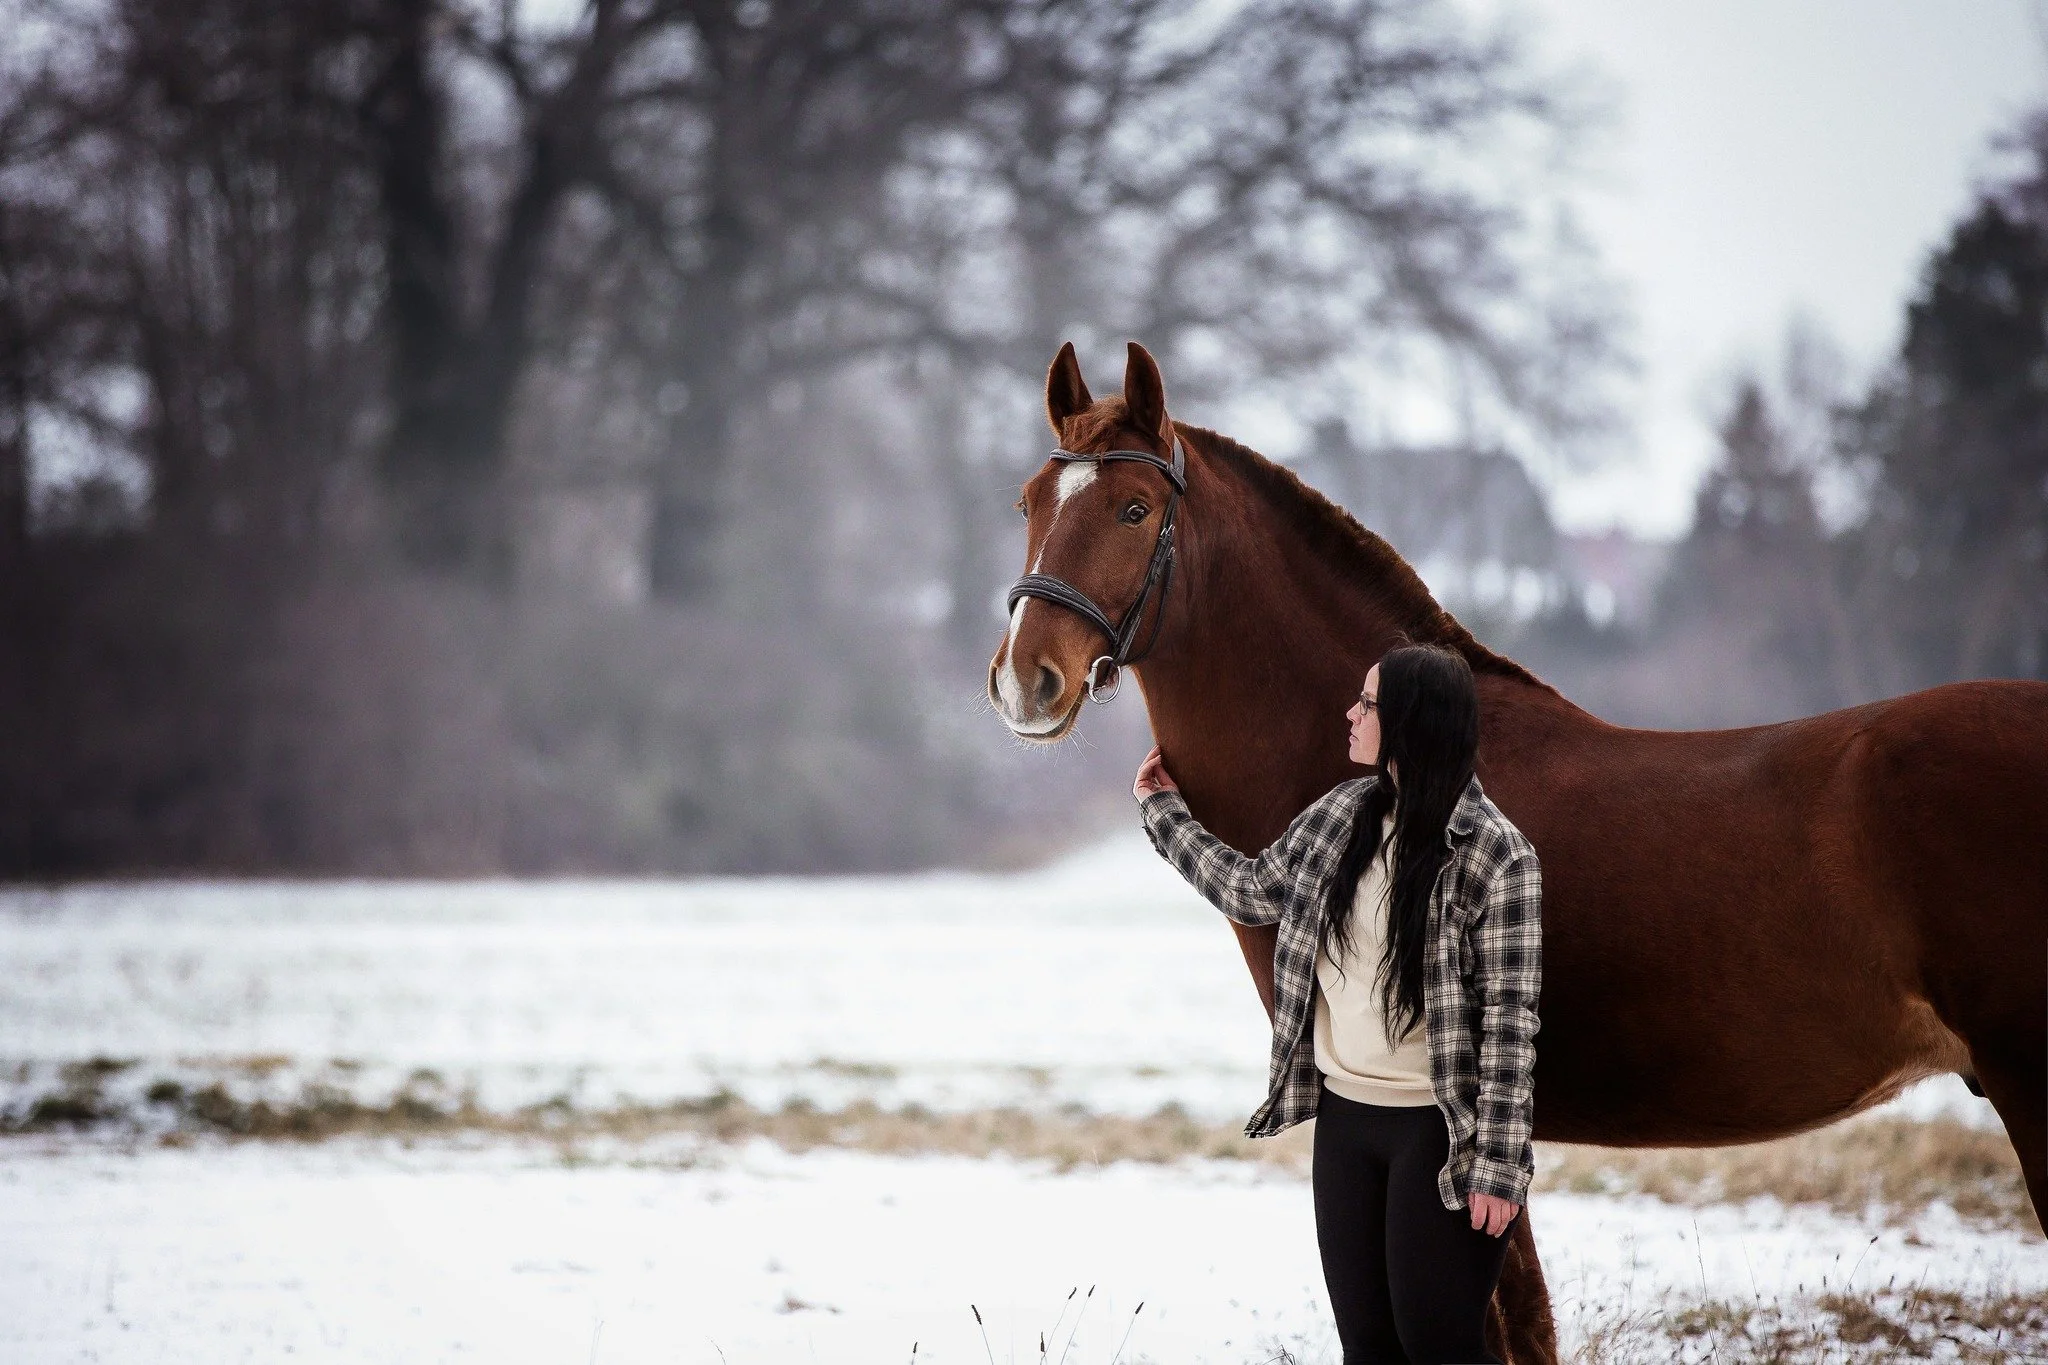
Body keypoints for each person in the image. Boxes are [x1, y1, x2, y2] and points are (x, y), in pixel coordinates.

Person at [1133, 643, 1541, 1364]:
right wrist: (1163, 813)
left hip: (1437, 1135)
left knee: (1439, 1346)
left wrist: (1500, 1167)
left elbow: (1512, 1024)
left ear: (1410, 721)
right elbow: (1252, 888)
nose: (1350, 714)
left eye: (1368, 703)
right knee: (1369, 1350)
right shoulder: (1340, 817)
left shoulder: (1497, 855)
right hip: (1347, 1126)